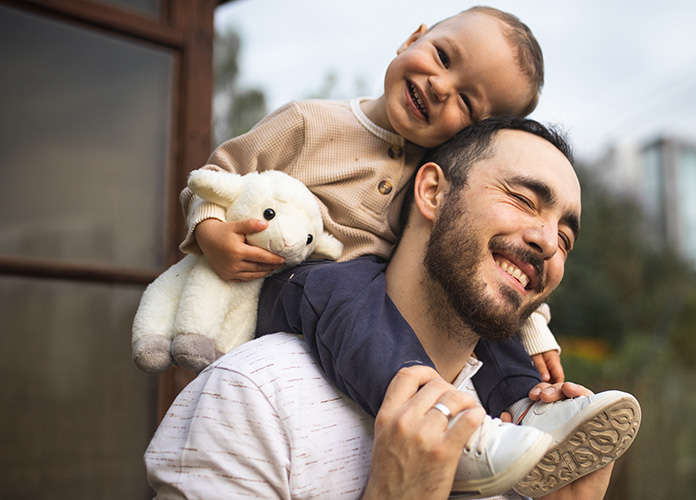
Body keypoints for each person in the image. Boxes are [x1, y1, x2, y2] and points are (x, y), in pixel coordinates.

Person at [145, 117, 641, 499]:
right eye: (523, 199)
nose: (550, 243)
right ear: (432, 192)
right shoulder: (254, 395)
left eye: (567, 238)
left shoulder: (518, 438)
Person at [178, 6, 565, 385]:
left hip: (373, 308)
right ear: (412, 39)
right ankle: (417, 401)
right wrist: (210, 233)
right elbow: (215, 175)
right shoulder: (307, 122)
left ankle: (526, 402)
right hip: (287, 284)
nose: (441, 86)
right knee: (344, 288)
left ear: (471, 136)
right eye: (443, 57)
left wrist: (532, 330)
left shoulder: (440, 177)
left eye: (466, 101)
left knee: (470, 300)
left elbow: (480, 254)